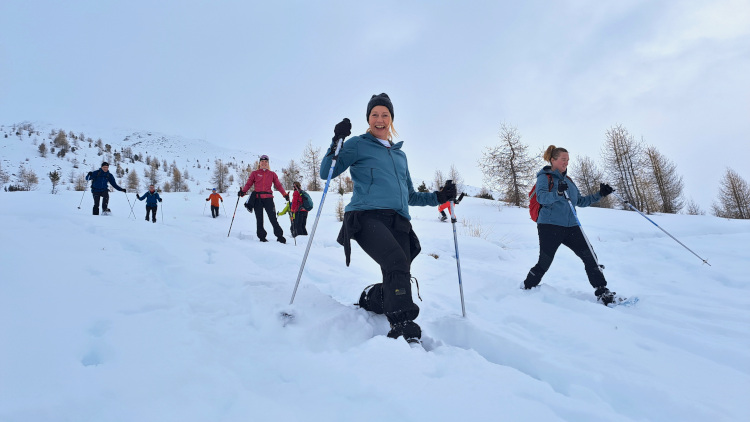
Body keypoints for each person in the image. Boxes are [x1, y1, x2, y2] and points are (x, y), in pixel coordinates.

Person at [320, 93, 457, 344]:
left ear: (391, 119)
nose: (380, 119)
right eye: (375, 115)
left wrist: (439, 197)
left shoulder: (399, 155)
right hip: (366, 216)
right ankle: (403, 324)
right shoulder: (358, 144)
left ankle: (374, 297)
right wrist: (337, 141)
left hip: (399, 221)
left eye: (385, 115)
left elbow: (411, 196)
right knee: (395, 261)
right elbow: (326, 171)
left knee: (399, 271)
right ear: (368, 118)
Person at [522, 145, 615, 304]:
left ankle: (602, 291)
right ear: (553, 160)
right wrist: (557, 193)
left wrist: (600, 194)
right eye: (563, 159)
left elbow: (580, 201)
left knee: (590, 255)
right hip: (550, 226)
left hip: (571, 225)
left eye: (568, 160)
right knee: (545, 261)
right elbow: (541, 198)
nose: (566, 163)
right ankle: (527, 287)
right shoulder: (544, 177)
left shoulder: (569, 181)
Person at [238, 155, 290, 243]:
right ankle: (262, 237)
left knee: (273, 218)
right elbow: (248, 184)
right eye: (262, 161)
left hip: (269, 199)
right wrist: (243, 192)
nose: (264, 163)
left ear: (268, 164)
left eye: (266, 162)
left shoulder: (272, 174)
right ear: (260, 163)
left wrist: (284, 194)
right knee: (259, 219)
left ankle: (280, 236)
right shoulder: (254, 173)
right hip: (257, 199)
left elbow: (278, 185)